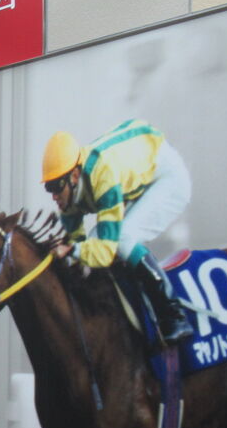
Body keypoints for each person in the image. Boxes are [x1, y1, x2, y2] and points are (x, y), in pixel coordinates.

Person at [41, 121, 193, 345]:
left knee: (123, 238)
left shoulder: (103, 175)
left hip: (168, 178)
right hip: (138, 179)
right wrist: (72, 250)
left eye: (56, 187)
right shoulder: (69, 200)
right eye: (48, 188)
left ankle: (174, 314)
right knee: (91, 243)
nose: (53, 196)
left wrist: (72, 249)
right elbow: (81, 249)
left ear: (74, 176)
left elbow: (104, 252)